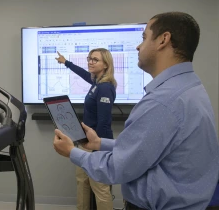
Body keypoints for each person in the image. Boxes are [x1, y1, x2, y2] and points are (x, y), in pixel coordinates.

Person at [53, 11, 219, 210]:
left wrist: (71, 152)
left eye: (144, 37)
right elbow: (145, 148)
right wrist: (100, 143)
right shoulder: (189, 88)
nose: (138, 46)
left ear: (163, 40)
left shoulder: (162, 101)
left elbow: (118, 167)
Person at [55, 48, 116, 210]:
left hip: (96, 146)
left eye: (95, 60)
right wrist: (66, 62)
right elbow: (83, 73)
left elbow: (103, 122)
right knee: (82, 182)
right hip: (85, 142)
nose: (90, 61)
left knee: (100, 188)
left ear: (105, 65)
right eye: (89, 58)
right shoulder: (96, 83)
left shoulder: (105, 88)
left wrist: (98, 149)